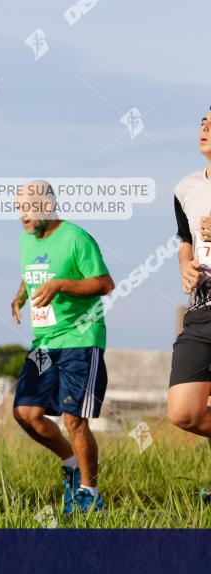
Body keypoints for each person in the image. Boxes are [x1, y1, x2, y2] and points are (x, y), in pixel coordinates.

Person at [11, 179, 114, 513]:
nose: (22, 215)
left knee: (74, 420)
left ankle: (89, 493)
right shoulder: (27, 240)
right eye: (18, 208)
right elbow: (32, 274)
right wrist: (20, 296)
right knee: (25, 413)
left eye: (27, 207)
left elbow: (104, 283)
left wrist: (61, 285)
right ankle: (70, 463)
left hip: (80, 340)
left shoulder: (76, 238)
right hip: (44, 343)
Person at [172, 105, 211, 504]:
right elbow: (185, 241)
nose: (205, 128)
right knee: (184, 411)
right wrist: (185, 267)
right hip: (201, 310)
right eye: (202, 121)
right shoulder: (185, 187)